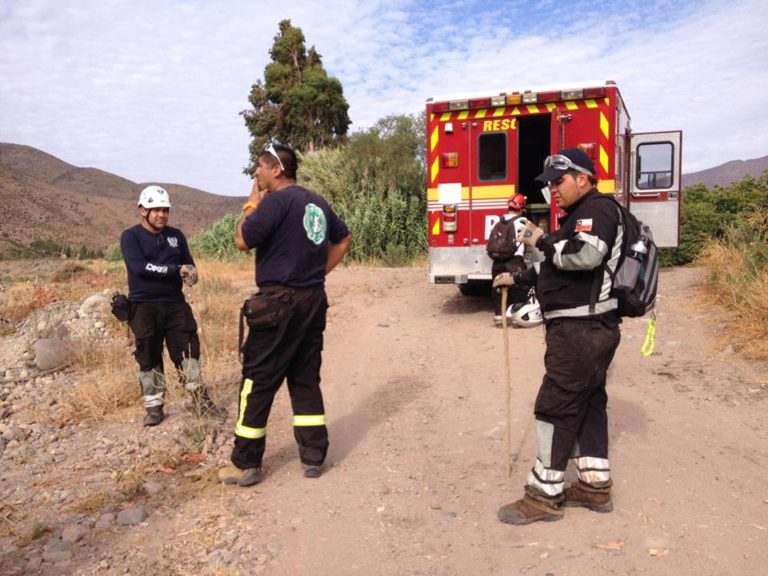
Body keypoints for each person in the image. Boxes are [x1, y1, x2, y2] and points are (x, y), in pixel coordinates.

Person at [492, 147, 623, 525]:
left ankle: (543, 495)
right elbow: (560, 265)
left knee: (555, 406)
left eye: (559, 181)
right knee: (588, 405)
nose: (552, 189)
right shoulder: (579, 215)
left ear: (583, 179)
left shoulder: (597, 210)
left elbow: (584, 257)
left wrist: (539, 238)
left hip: (581, 331)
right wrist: (518, 277)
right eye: (549, 183)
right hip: (591, 329)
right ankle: (594, 486)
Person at [218, 141, 352, 487]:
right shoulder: (317, 202)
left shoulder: (275, 201)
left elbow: (243, 240)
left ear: (276, 169)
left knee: (257, 380)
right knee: (305, 377)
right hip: (313, 301)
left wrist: (252, 202)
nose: (256, 174)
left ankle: (245, 463)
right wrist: (317, 274)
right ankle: (313, 457)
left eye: (259, 168)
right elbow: (343, 239)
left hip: (278, 304)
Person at [120, 185, 225, 427]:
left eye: (165, 210)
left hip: (175, 304)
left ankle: (200, 402)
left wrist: (191, 273)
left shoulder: (176, 236)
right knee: (149, 356)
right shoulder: (131, 236)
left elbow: (189, 264)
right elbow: (139, 267)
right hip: (144, 306)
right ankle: (154, 409)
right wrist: (174, 270)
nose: (162, 215)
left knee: (188, 351)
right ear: (143, 211)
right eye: (156, 210)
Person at [488, 193, 528, 326]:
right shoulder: (522, 221)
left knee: (498, 288)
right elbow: (532, 238)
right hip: (514, 261)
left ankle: (499, 316)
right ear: (521, 208)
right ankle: (516, 317)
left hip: (497, 262)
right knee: (518, 288)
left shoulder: (498, 222)